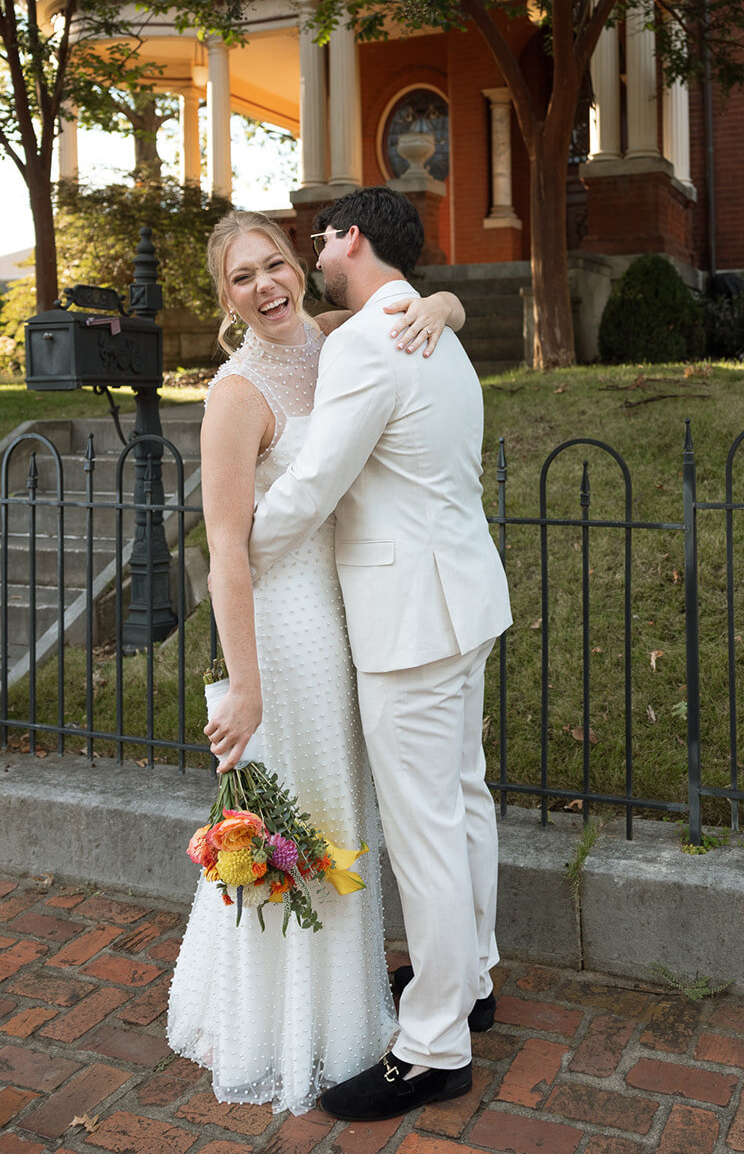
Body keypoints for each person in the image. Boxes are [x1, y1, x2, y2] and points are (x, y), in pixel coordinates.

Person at [166, 209, 465, 1116]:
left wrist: (445, 305)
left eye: (274, 266)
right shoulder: (236, 393)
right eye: (242, 280)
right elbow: (226, 550)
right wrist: (244, 683)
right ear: (226, 302)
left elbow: (408, 309)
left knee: (343, 806)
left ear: (300, 267)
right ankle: (280, 1022)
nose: (266, 288)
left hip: (346, 618)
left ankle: (349, 1011)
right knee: (294, 809)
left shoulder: (330, 337)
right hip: (281, 628)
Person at [247, 187, 512, 1122]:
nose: (311, 251)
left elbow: (318, 482)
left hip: (410, 622)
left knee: (425, 827)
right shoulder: (429, 328)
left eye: (318, 237)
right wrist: (446, 300)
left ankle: (434, 1045)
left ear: (351, 238)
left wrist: (237, 545)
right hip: (465, 603)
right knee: (464, 800)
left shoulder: (373, 341)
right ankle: (470, 978)